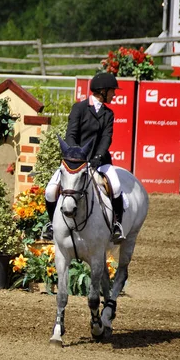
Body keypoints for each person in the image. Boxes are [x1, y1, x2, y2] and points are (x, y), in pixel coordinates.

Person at [41, 72, 126, 244]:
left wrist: (97, 157)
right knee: (50, 190)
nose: (114, 94)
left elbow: (106, 138)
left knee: (116, 187)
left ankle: (116, 225)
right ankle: (51, 224)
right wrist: (77, 155)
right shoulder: (79, 108)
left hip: (99, 161)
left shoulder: (108, 114)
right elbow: (71, 134)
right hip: (75, 161)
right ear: (102, 90)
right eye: (112, 91)